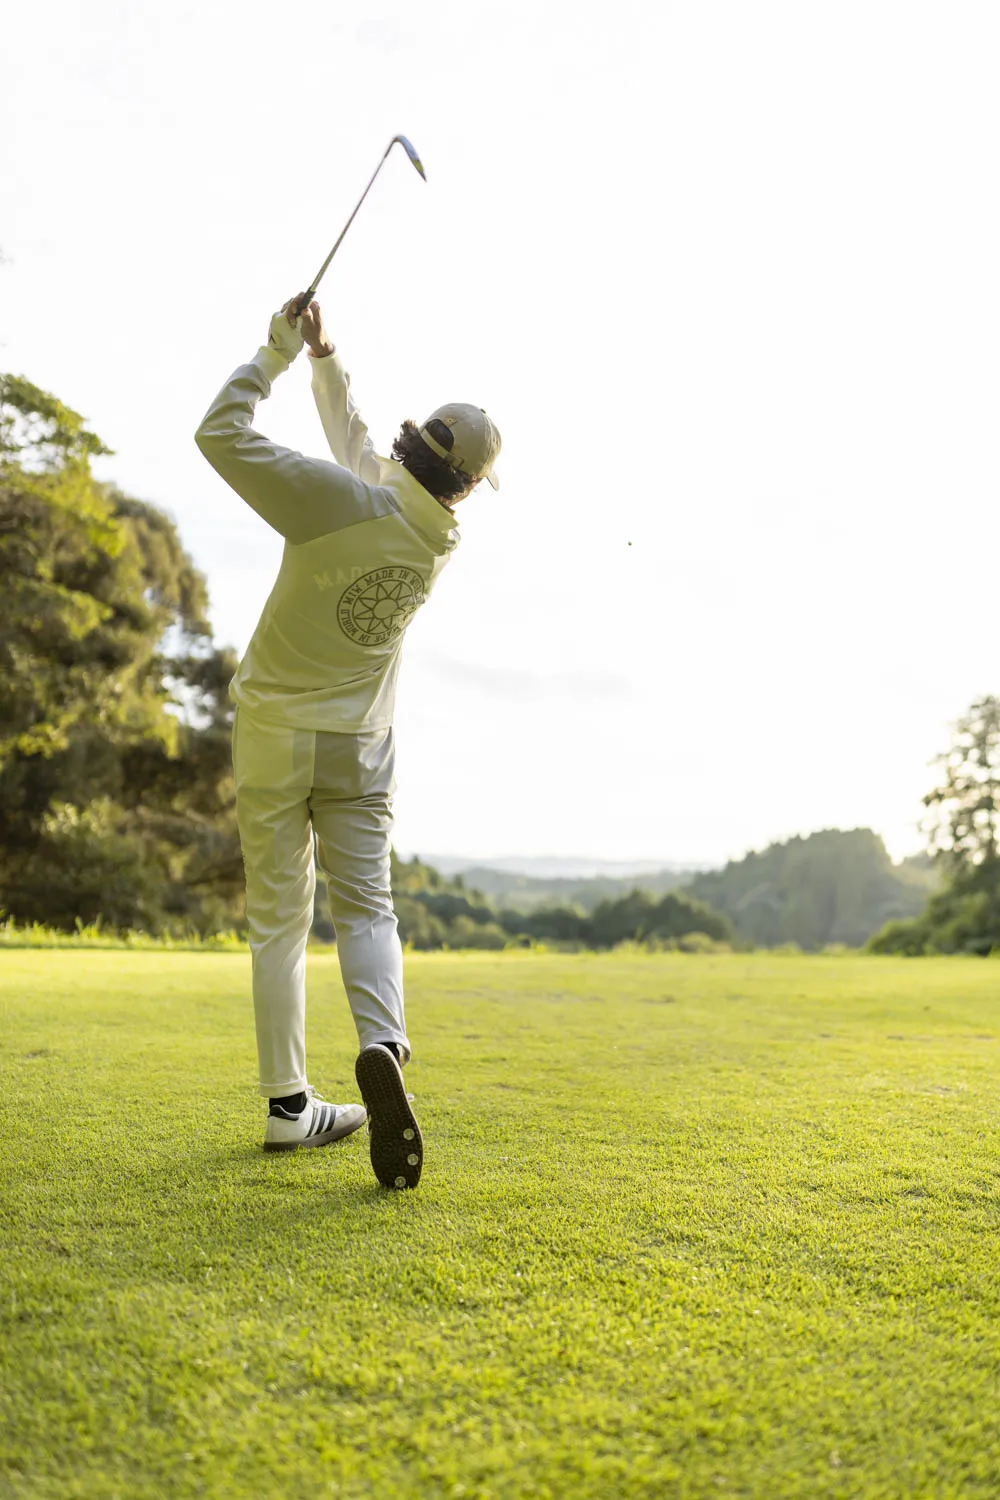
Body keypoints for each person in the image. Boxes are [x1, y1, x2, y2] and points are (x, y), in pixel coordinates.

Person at [195, 299, 501, 1188]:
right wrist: (329, 362)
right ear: (467, 486)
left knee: (279, 924)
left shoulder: (341, 500)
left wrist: (278, 353)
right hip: (360, 746)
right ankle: (383, 1047)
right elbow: (366, 458)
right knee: (367, 907)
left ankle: (290, 1107)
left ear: (410, 444)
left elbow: (219, 434)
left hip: (274, 734)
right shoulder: (436, 535)